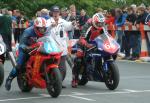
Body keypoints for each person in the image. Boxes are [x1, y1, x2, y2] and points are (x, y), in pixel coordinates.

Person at [5, 17, 49, 91]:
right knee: (19, 65)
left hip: (39, 49)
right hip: (26, 49)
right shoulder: (28, 31)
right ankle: (9, 79)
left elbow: (49, 40)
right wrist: (27, 48)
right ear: (36, 27)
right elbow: (22, 43)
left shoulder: (46, 32)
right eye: (40, 28)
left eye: (43, 28)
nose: (42, 30)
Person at [71, 13, 106, 88]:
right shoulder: (88, 25)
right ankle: (75, 79)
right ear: (94, 22)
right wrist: (87, 44)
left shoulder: (103, 26)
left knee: (105, 52)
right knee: (78, 59)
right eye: (98, 23)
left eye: (101, 23)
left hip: (96, 42)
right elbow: (82, 37)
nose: (100, 25)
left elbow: (106, 36)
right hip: (85, 42)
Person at [47, 5, 76, 88]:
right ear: (51, 13)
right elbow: (44, 30)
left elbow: (69, 25)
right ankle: (52, 82)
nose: (56, 14)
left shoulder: (62, 21)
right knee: (52, 68)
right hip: (52, 49)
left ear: (59, 13)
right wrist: (50, 26)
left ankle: (58, 82)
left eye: (57, 12)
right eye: (54, 12)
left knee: (63, 69)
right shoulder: (48, 22)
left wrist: (72, 23)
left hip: (62, 49)